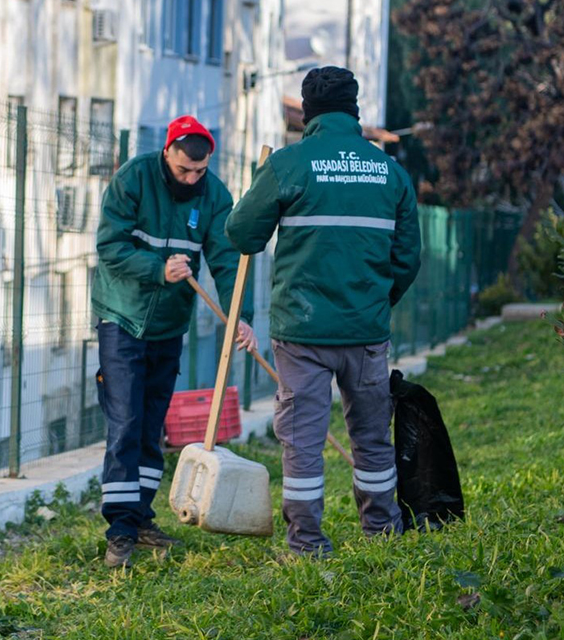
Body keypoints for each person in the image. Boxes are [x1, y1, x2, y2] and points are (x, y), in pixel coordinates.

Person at [226, 66, 422, 557]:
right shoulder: (390, 173)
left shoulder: (288, 165)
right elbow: (408, 258)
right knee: (373, 438)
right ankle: (382, 532)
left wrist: (261, 186)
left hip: (303, 331)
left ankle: (307, 542)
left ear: (308, 112)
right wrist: (376, 301)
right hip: (365, 329)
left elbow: (241, 235)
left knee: (303, 443)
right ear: (354, 111)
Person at [91, 115, 255, 568]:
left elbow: (226, 259)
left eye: (199, 172)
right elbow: (110, 246)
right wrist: (157, 269)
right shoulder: (133, 178)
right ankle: (119, 530)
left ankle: (142, 519)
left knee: (151, 426)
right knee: (124, 423)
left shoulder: (215, 195)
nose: (191, 179)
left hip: (169, 325)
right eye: (184, 170)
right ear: (167, 153)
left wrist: (240, 316)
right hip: (122, 318)